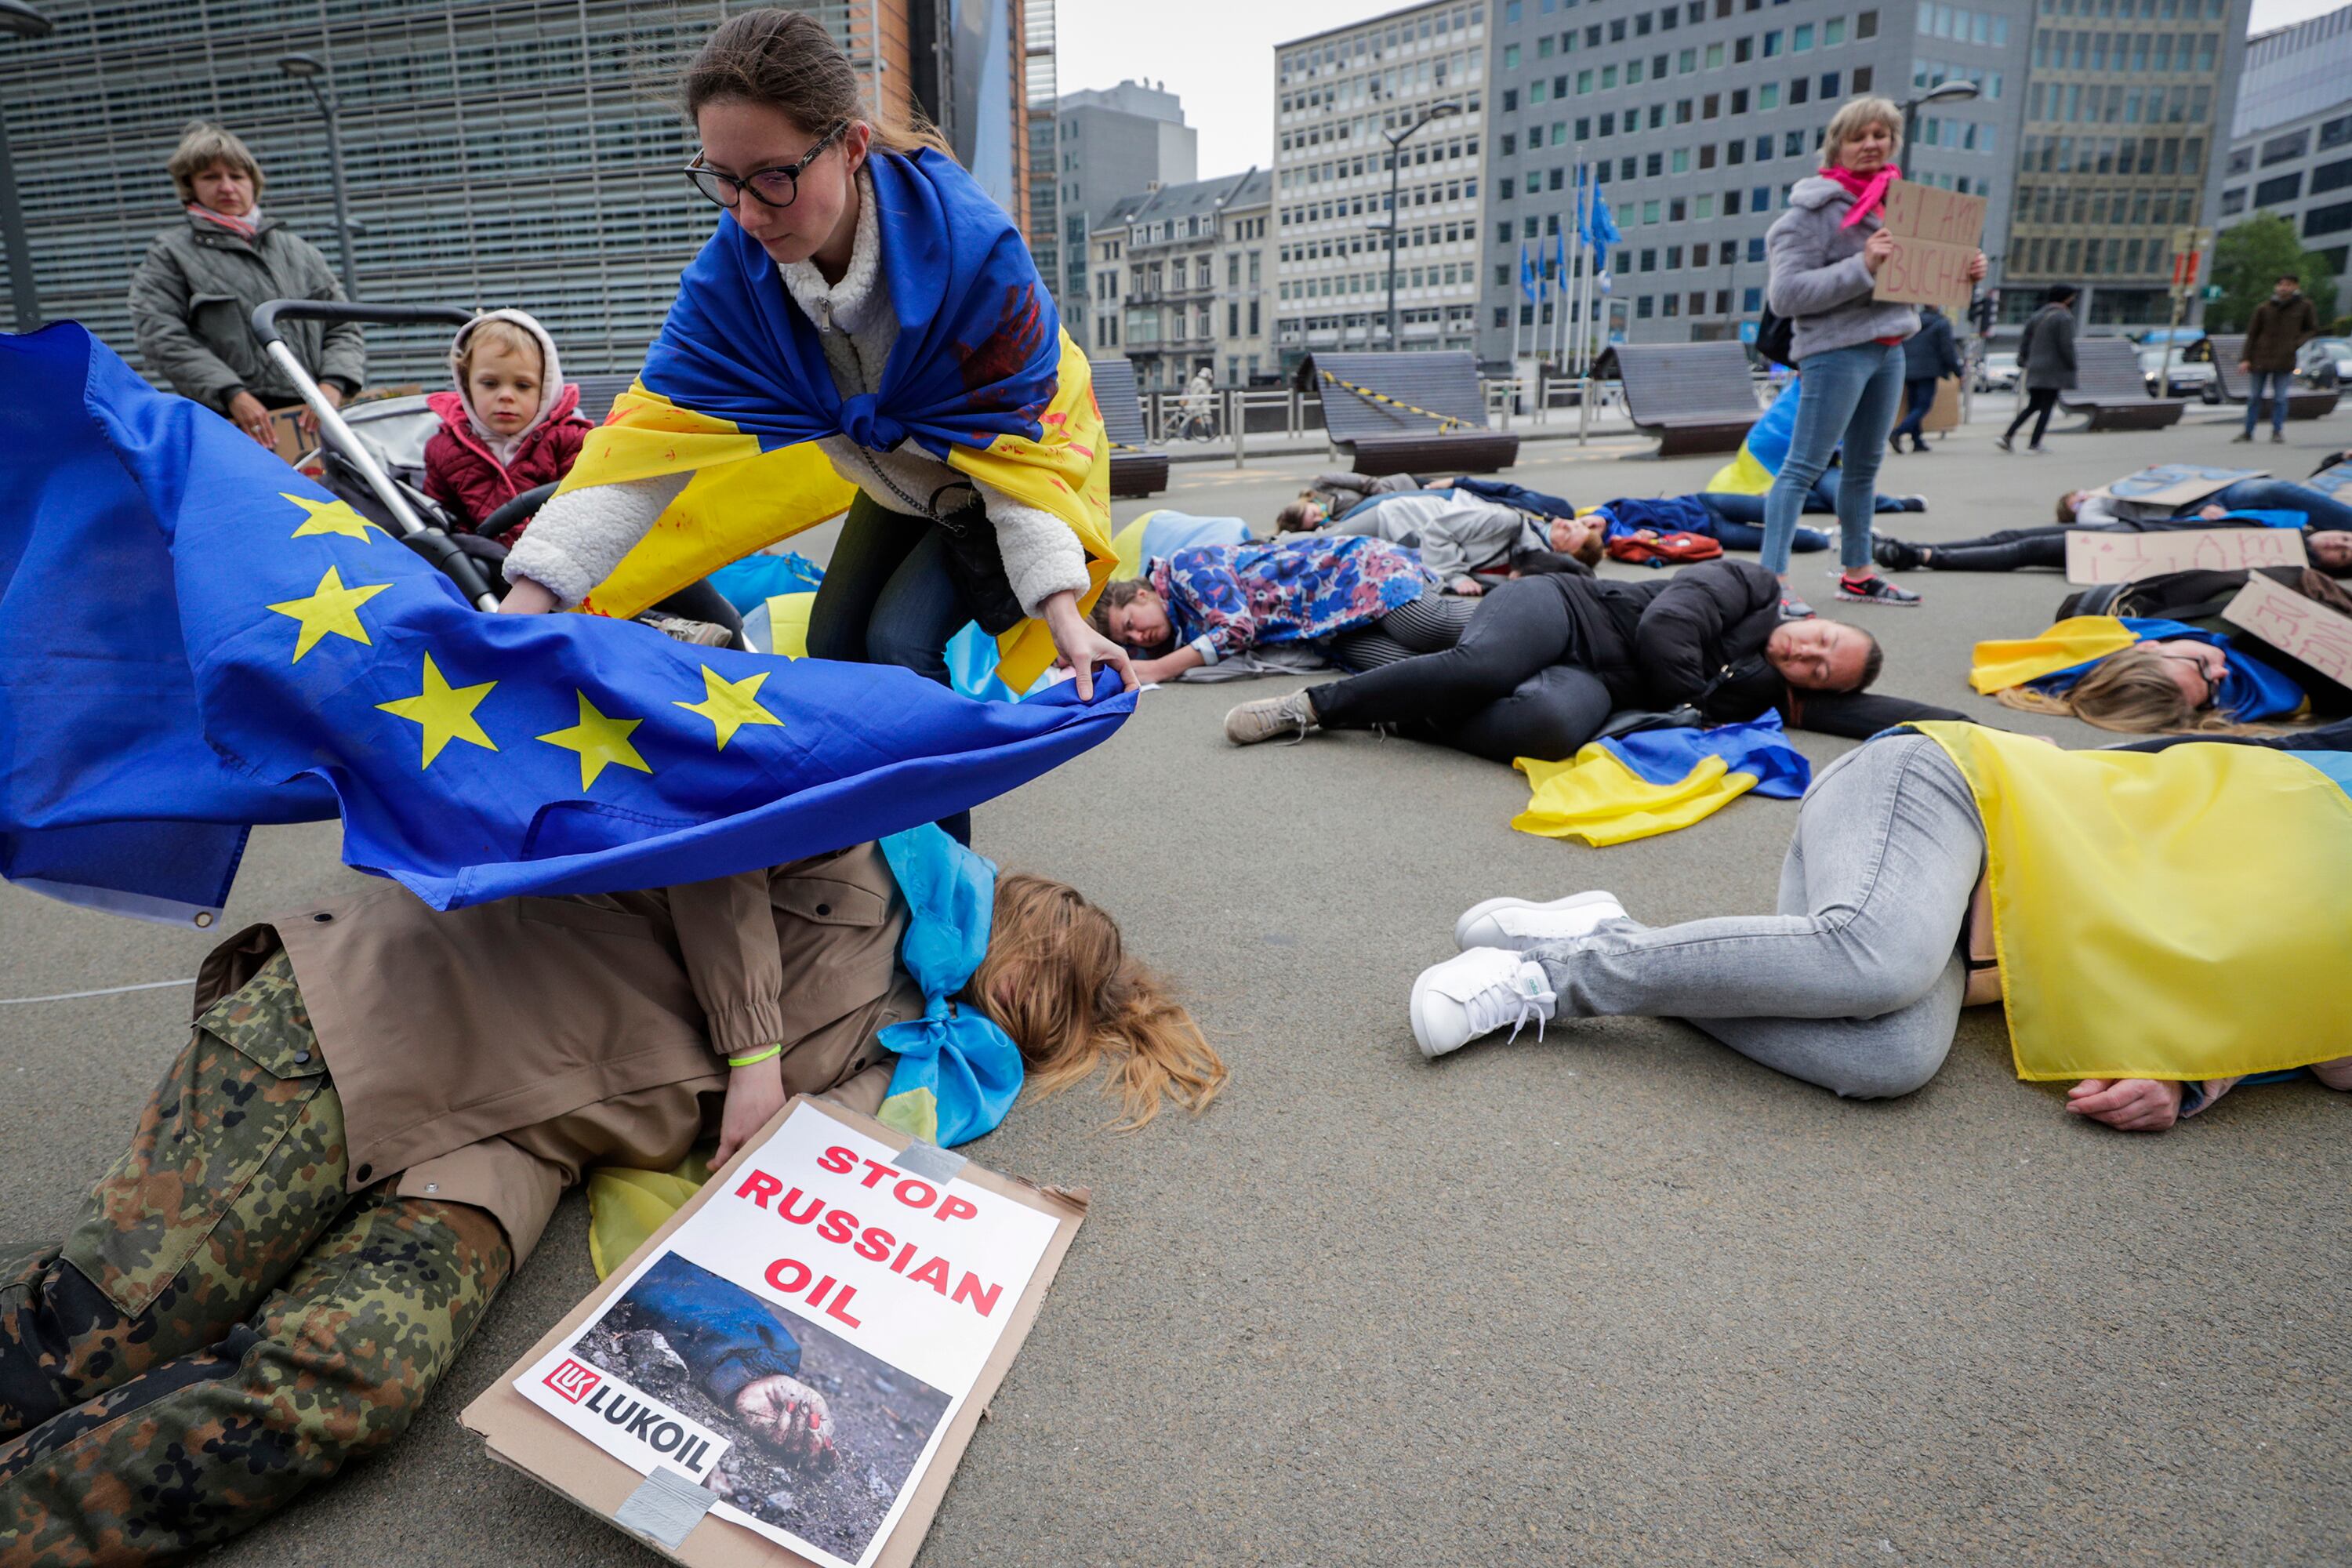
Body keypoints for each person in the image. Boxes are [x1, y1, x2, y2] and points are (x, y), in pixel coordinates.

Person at [0, 842, 1221, 1563]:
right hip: (390, 1012)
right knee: (104, 1324)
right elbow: (709, 836)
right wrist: (753, 1053)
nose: (994, 1033)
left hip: (511, 1150)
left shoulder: (899, 1052)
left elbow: (793, 1187)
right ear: (1026, 938)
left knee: (345, 1382)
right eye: (1029, 1007)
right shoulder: (870, 843)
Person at [496, 10, 1130, 710]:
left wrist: (1066, 616)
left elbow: (1019, 448)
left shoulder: (978, 264)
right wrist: (517, 610)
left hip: (1005, 474)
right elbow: (640, 455)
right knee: (831, 642)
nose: (747, 214)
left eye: (773, 177)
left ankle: (927, 824)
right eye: (723, 178)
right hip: (902, 476)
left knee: (899, 645)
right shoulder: (732, 281)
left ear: (852, 147)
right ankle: (881, 812)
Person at [1406, 724, 2352, 1125]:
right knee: (1878, 957)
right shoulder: (2324, 794)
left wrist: (2196, 1085)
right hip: (1945, 791)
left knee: (1887, 1062)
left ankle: (1628, 933)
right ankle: (1558, 975)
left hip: (1970, 937)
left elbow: (2297, 1019)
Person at [1219, 559, 1965, 764]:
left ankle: (1402, 717)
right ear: (1822, 620)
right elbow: (1668, 624)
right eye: (1823, 642)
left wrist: (1968, 731)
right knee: (1483, 668)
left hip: (1595, 682)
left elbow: (1862, 715)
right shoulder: (1750, 585)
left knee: (1551, 727)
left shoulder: (1769, 682)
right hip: (1565, 605)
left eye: (1816, 672)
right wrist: (1701, 703)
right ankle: (1314, 708)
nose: (1807, 657)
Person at [1759, 96, 1983, 613]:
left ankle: (1859, 574)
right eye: (1858, 136)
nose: (1870, 144)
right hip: (1835, 351)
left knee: (1864, 471)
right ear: (1837, 145)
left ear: (1893, 143)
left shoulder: (1901, 206)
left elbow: (1913, 281)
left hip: (1890, 347)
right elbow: (1786, 296)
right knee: (1803, 469)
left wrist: (1960, 271)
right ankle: (1770, 582)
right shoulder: (1808, 214)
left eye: (1880, 135)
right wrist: (1862, 263)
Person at [128, 122, 365, 450]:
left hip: (315, 420)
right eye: (211, 177)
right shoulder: (170, 254)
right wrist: (231, 393)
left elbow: (343, 326)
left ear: (253, 183)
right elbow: (160, 334)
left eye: (236, 176)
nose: (226, 187)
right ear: (189, 186)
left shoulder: (300, 253)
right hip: (231, 423)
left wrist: (331, 386)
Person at [1089, 534, 1450, 684]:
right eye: (1131, 637)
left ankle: (1506, 620)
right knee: (1412, 671)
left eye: (1132, 624)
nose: (1139, 636)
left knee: (1426, 629)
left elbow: (1237, 629)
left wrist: (1158, 669)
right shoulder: (1181, 629)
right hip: (1333, 632)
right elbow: (1118, 657)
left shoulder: (1186, 566)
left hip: (1354, 572)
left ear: (1141, 594)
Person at [420, 310, 592, 540]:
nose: (506, 396)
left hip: (556, 556)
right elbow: (440, 521)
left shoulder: (570, 441)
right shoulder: (444, 449)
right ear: (466, 385)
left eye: (522, 386)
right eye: (490, 384)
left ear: (546, 389)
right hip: (478, 568)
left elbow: (586, 513)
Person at [1280, 487, 1604, 589]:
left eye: (1570, 532)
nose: (1564, 523)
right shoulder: (1508, 523)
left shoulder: (1529, 567)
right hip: (1397, 518)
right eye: (1570, 524)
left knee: (1322, 562)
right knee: (1315, 546)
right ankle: (1256, 548)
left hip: (1405, 544)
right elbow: (1438, 529)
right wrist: (1455, 574)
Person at [1875, 514, 2352, 575]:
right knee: (2013, 534)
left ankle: (1924, 557)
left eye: (2344, 553)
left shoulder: (2288, 561)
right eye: (2347, 538)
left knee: (2026, 552)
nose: (2339, 542)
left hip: (2135, 553)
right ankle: (1921, 547)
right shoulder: (2286, 530)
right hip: (2139, 530)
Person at [2235, 274, 2319, 445]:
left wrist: (2296, 343)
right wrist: (2245, 359)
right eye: (2281, 284)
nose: (2284, 288)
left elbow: (2312, 329)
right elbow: (2252, 334)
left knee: (2280, 398)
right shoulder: (2264, 308)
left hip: (2284, 358)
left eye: (2288, 285)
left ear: (2295, 286)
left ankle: (2277, 431)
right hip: (2260, 357)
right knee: (2254, 397)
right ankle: (2248, 431)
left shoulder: (2304, 306)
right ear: (2276, 287)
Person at [1998, 284, 2078, 455]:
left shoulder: (2037, 316)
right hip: (2053, 370)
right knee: (2047, 406)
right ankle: (2035, 443)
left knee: (2033, 405)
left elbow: (2025, 342)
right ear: (2067, 298)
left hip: (2035, 367)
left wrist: (2024, 359)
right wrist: (2072, 365)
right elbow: (2066, 346)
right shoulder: (2064, 318)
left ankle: (2008, 435)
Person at [1889, 303, 1963, 455]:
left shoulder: (1913, 320)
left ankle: (1917, 441)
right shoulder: (1941, 323)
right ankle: (1898, 432)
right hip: (1928, 370)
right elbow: (1947, 350)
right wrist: (1958, 371)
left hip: (1908, 369)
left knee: (1913, 406)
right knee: (1923, 405)